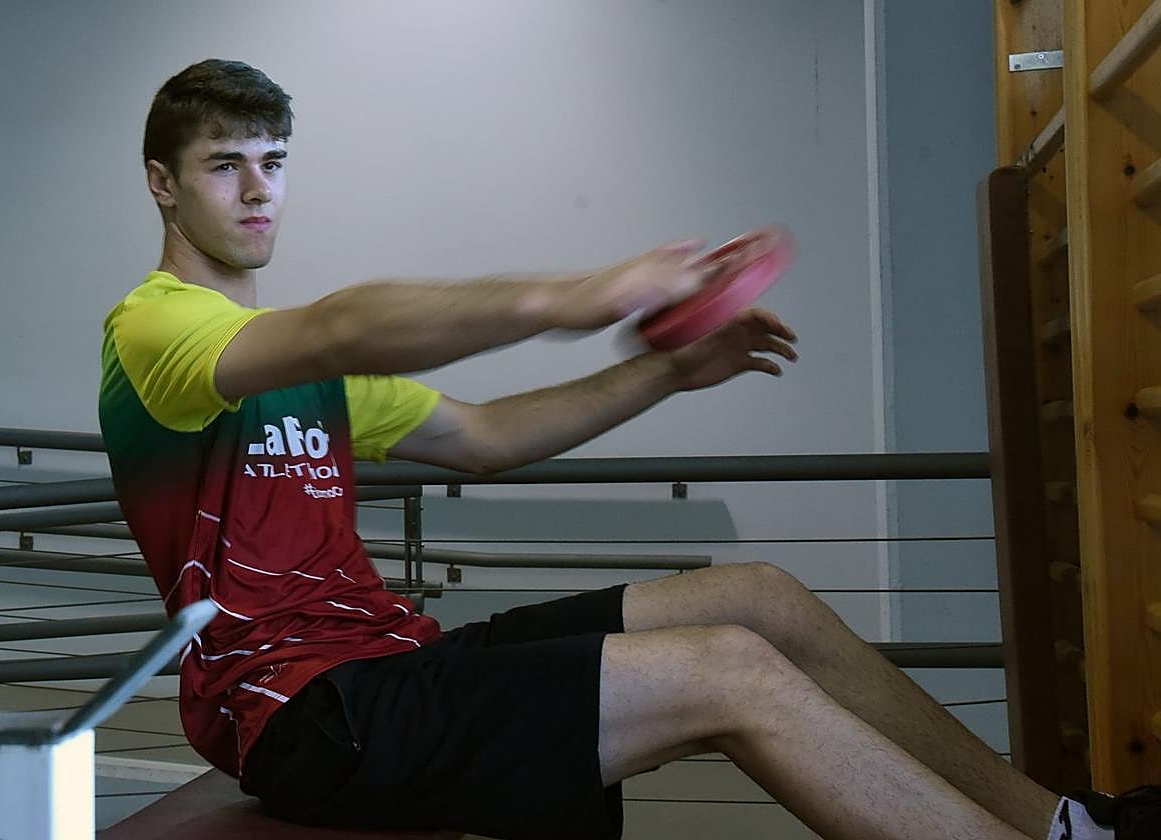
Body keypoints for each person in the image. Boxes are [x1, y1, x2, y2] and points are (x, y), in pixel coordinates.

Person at [98, 58, 1157, 840]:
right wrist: (575, 294)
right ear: (163, 184)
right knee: (729, 672)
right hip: (301, 712)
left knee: (760, 600)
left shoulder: (310, 375)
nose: (257, 189)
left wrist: (664, 373)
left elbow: (484, 435)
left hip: (393, 661)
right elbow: (334, 324)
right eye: (224, 165)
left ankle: (1070, 826)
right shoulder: (152, 332)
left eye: (272, 162)